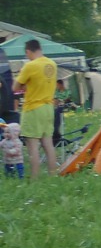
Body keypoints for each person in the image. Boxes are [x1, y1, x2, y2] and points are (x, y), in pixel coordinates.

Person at [15, 39, 59, 177]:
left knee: (32, 145)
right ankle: (53, 176)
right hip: (48, 107)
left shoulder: (30, 66)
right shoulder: (52, 64)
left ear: (28, 51)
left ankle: (35, 179)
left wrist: (23, 82)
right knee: (48, 144)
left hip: (33, 108)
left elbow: (15, 87)